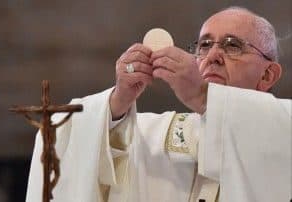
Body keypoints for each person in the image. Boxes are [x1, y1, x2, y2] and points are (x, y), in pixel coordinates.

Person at [26, 6, 291, 202]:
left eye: (232, 45)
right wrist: (118, 100)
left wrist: (201, 95)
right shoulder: (153, 134)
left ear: (268, 74)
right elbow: (58, 132)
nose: (212, 56)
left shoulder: (284, 125)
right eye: (204, 44)